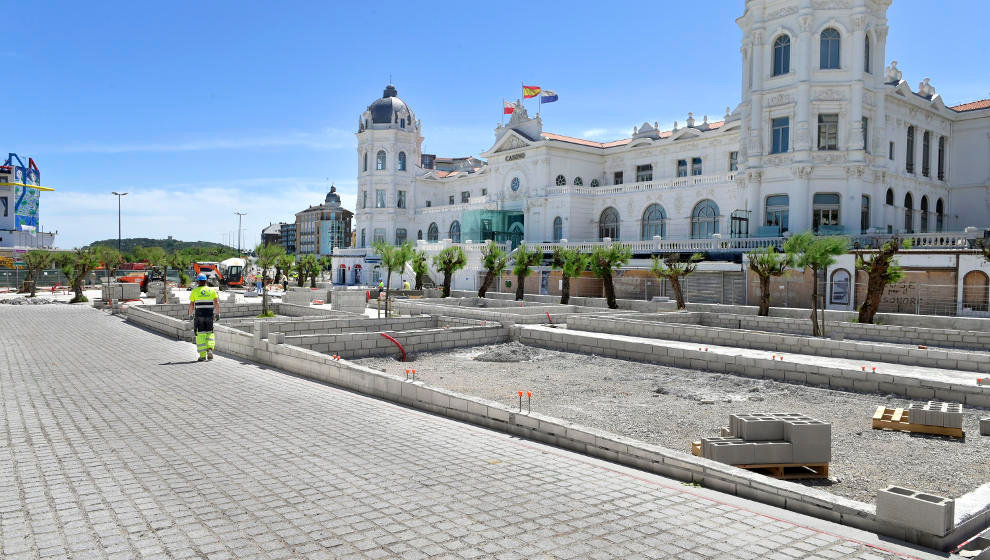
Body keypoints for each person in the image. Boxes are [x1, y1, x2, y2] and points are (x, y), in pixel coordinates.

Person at [188, 273, 220, 362]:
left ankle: (202, 356)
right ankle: (210, 348)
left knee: (201, 335)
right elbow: (217, 303)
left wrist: (190, 315)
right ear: (206, 281)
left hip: (199, 316)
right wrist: (218, 314)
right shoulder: (212, 290)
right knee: (209, 333)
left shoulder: (194, 291)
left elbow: (191, 304)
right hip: (209, 316)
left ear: (198, 282)